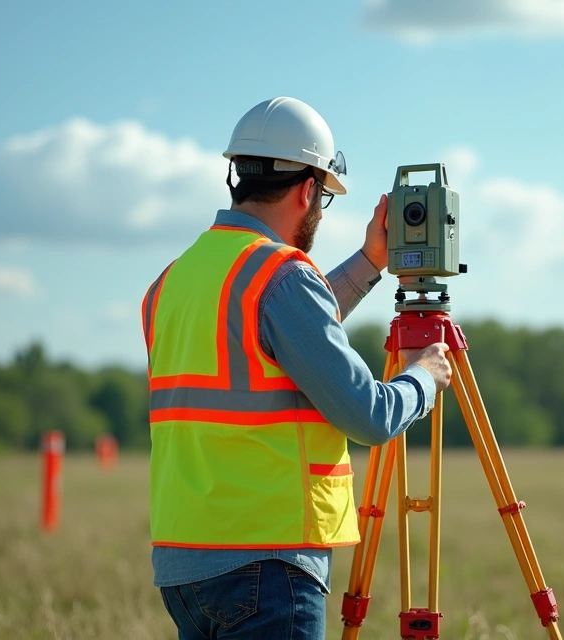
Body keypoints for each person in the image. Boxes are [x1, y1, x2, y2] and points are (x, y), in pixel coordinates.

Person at [142, 96, 452, 639]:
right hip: (265, 564)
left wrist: (370, 262)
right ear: (309, 189)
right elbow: (370, 416)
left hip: (183, 568)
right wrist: (424, 375)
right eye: (323, 199)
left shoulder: (175, 280)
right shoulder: (279, 274)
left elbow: (281, 334)